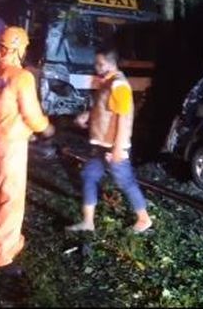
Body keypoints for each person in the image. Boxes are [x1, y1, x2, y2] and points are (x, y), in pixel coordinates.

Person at [0, 26, 55, 276]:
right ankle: (2, 255)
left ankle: (9, 238)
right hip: (11, 145)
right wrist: (46, 128)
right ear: (18, 49)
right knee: (11, 199)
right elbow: (32, 114)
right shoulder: (21, 77)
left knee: (0, 193)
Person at [66, 46, 153, 234]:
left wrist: (117, 149)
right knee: (89, 176)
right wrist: (88, 115)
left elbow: (124, 118)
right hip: (100, 146)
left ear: (111, 63)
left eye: (100, 63)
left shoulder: (119, 85)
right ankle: (88, 222)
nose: (96, 67)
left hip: (113, 147)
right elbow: (104, 108)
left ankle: (144, 219)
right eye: (96, 63)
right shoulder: (106, 81)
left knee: (126, 183)